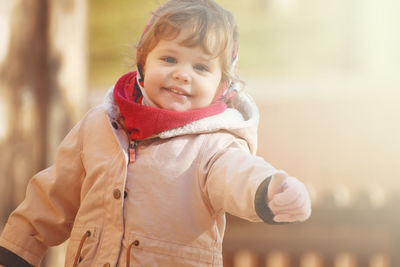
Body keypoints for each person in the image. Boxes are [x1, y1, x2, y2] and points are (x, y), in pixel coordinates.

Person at [0, 0, 311, 266]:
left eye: (201, 68)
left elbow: (238, 174)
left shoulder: (214, 145)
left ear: (221, 86)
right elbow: (53, 194)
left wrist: (270, 188)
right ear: (143, 63)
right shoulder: (100, 125)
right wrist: (17, 249)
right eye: (169, 58)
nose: (181, 74)